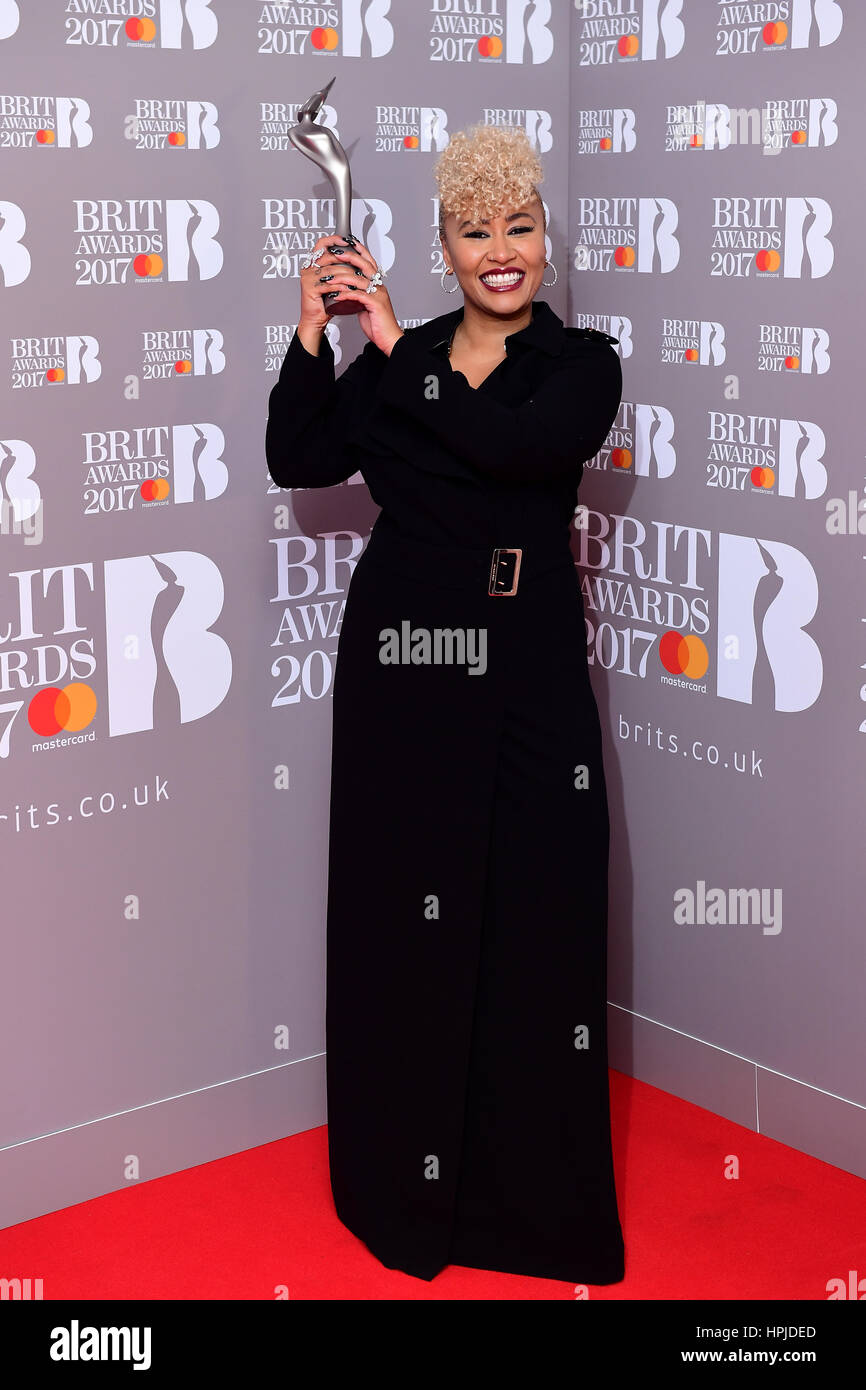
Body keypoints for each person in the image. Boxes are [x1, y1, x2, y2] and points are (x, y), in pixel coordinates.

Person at [265, 123, 625, 1285]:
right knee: (399, 921)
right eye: (475, 231)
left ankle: (523, 1212)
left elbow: (513, 451)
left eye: (517, 226)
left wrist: (391, 350)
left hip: (523, 660)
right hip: (403, 662)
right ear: (445, 244)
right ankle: (396, 1190)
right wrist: (316, 332)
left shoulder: (582, 366)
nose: (500, 251)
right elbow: (299, 457)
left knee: (532, 916)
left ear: (541, 238)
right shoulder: (400, 347)